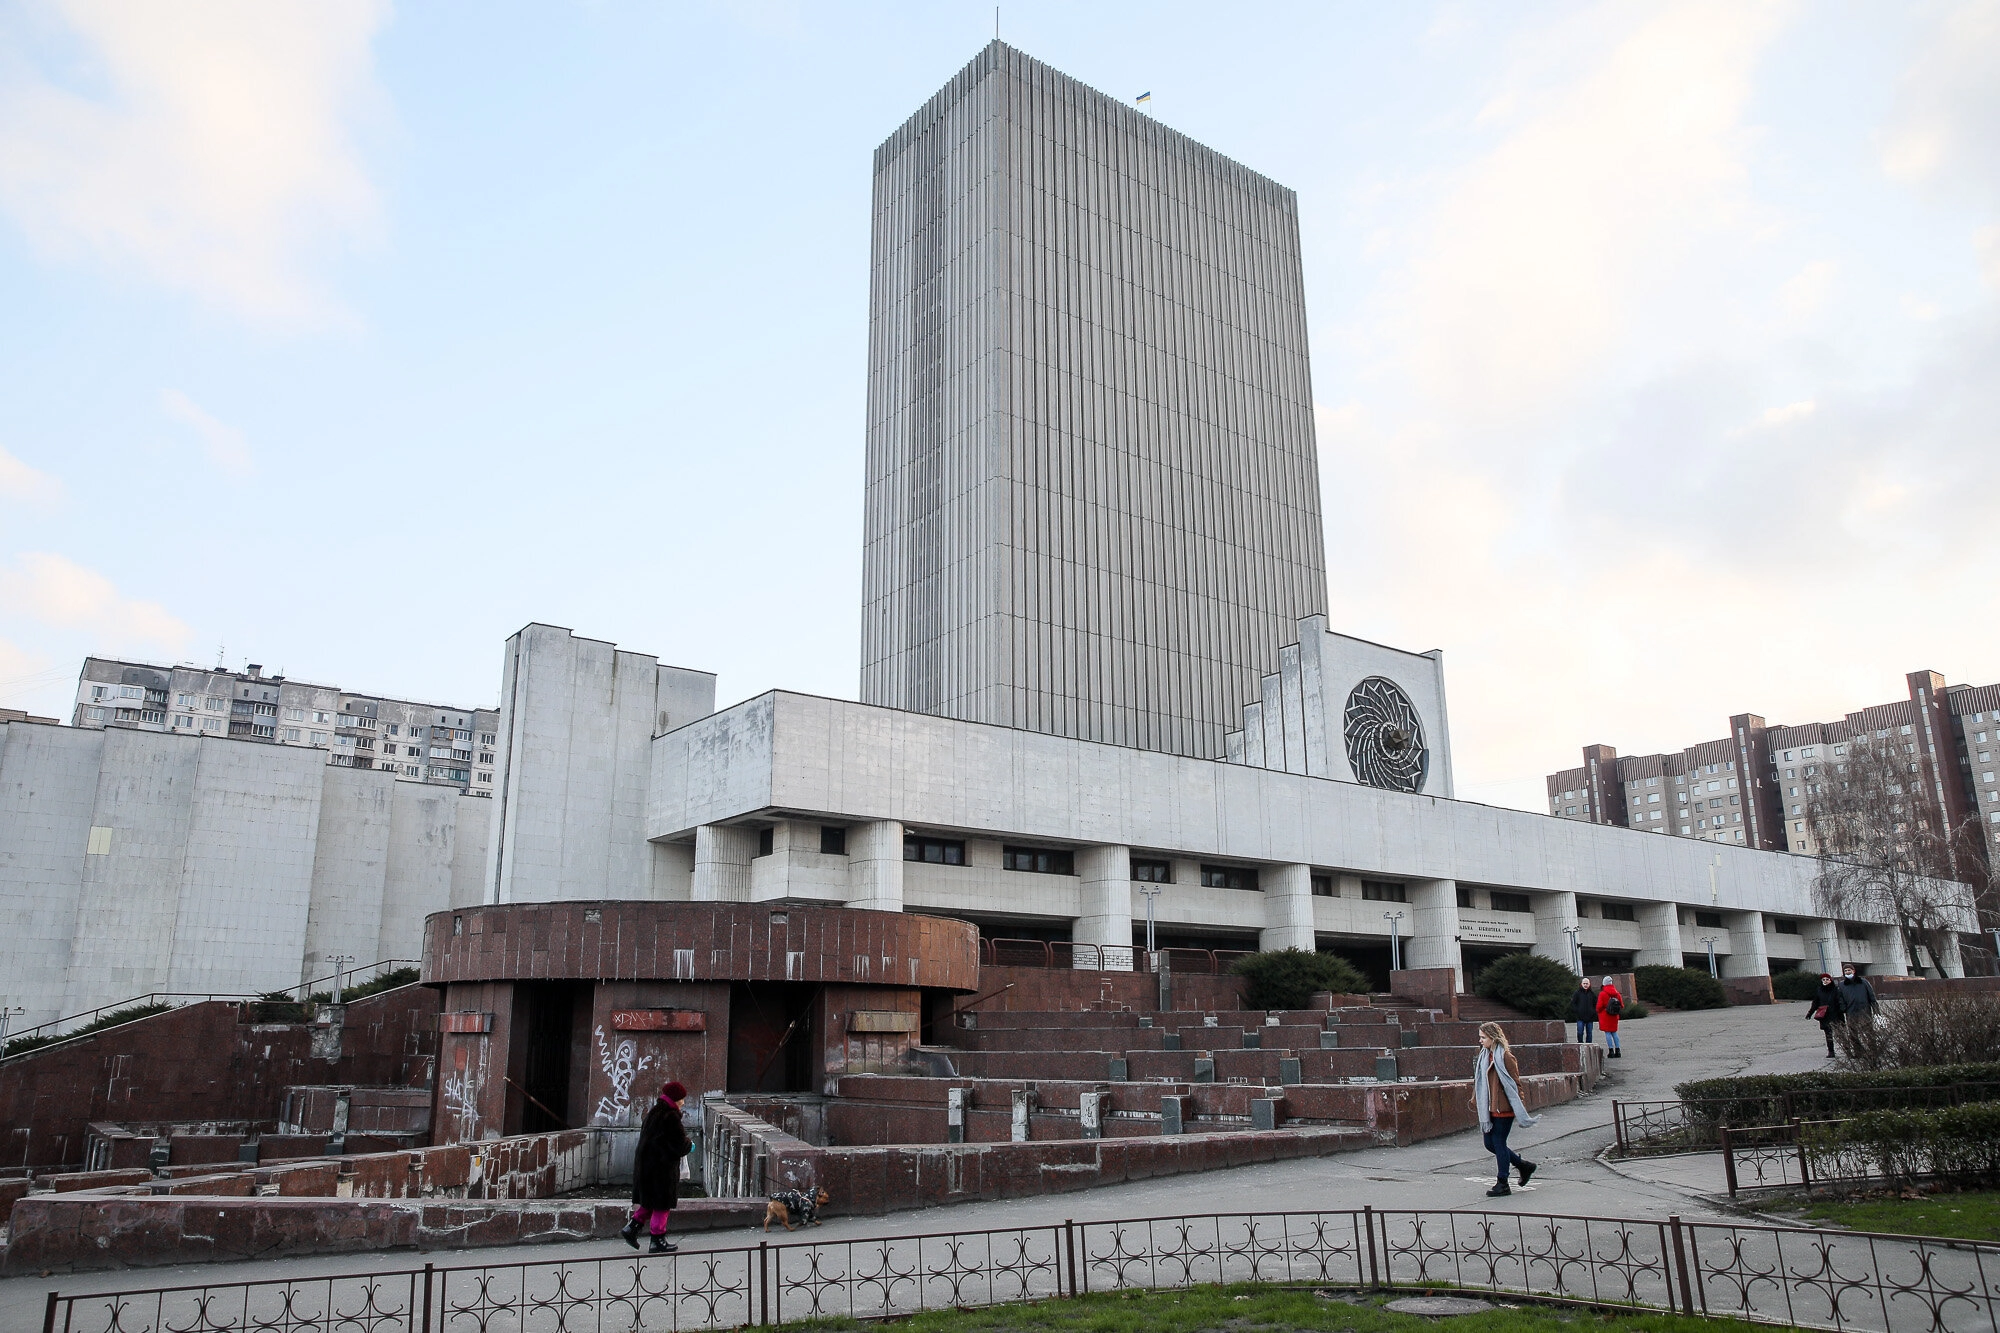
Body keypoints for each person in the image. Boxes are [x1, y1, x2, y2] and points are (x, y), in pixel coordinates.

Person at [622, 1081, 692, 1254]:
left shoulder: (654, 1112)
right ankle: (657, 1240)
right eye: (681, 1099)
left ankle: (632, 1228)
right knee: (662, 1204)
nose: (683, 1102)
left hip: (647, 1166)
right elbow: (679, 1145)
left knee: (650, 1200)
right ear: (674, 1099)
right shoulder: (671, 1116)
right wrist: (690, 1145)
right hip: (661, 1169)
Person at [1470, 1021, 1538, 1197]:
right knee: (1489, 1143)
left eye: (1483, 1037)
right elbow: (1481, 1082)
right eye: (1480, 1037)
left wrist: (1519, 1105)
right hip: (1490, 1107)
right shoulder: (1485, 1056)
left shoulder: (1506, 1056)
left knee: (1499, 1142)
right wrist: (1475, 1098)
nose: (1480, 1040)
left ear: (1493, 1038)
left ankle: (1503, 1183)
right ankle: (1524, 1166)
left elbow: (1516, 1083)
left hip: (1504, 1107)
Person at [1807, 974, 1846, 1058]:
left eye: (1827, 979)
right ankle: (1831, 1051)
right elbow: (1815, 1002)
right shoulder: (1819, 990)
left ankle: (1847, 1049)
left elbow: (1840, 1000)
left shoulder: (1836, 989)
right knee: (1828, 1034)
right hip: (1825, 1016)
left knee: (1841, 1033)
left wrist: (1842, 1009)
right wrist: (1810, 1013)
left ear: (1830, 980)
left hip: (1836, 1014)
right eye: (1823, 979)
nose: (1825, 981)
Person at [1595, 975, 1625, 1059]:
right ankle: (1618, 1050)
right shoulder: (1617, 993)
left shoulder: (1602, 993)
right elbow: (1622, 1005)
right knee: (1614, 1032)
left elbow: (1599, 1006)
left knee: (1608, 1033)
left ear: (1604, 984)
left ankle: (1611, 1051)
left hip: (1605, 1016)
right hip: (1614, 1016)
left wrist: (1598, 1011)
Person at [1569, 976, 1597, 1046]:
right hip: (1580, 1017)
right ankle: (1580, 1044)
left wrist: (1593, 1012)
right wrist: (1577, 1011)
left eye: (1587, 983)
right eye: (1584, 983)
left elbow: (1596, 1004)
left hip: (1590, 1017)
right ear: (1581, 984)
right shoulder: (1577, 993)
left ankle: (1589, 1046)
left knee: (1589, 1033)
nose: (1585, 985)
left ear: (1589, 984)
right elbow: (1573, 1003)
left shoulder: (1592, 994)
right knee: (1580, 1032)